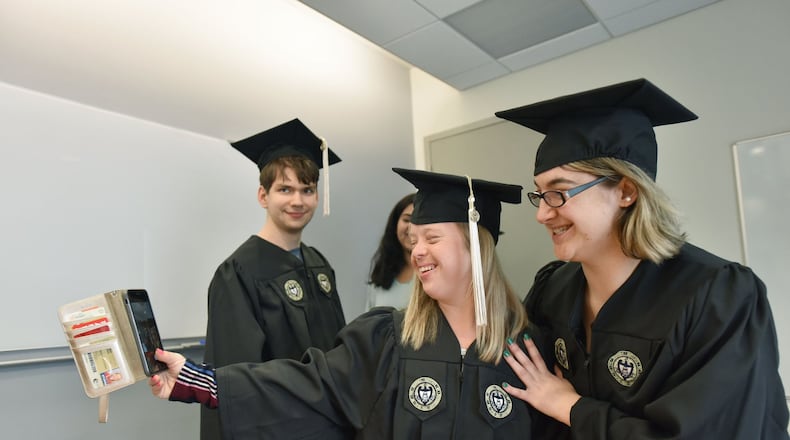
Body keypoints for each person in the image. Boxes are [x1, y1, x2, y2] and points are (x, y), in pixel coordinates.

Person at [149, 167, 547, 439]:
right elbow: (303, 385)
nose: (417, 252)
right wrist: (198, 380)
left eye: (433, 238)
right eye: (414, 240)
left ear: (477, 249)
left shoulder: (529, 351)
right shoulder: (387, 338)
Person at [494, 78, 789, 439]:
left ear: (627, 191)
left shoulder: (716, 298)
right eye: (540, 195)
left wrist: (571, 407)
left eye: (559, 192)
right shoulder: (553, 289)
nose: (542, 214)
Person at [200, 118, 347, 439]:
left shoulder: (319, 264)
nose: (298, 201)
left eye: (307, 190)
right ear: (263, 196)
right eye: (285, 189)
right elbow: (234, 381)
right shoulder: (238, 272)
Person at [366, 192, 416, 310]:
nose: (411, 227)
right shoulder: (381, 273)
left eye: (418, 220)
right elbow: (367, 323)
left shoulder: (433, 275)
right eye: (406, 220)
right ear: (395, 225)